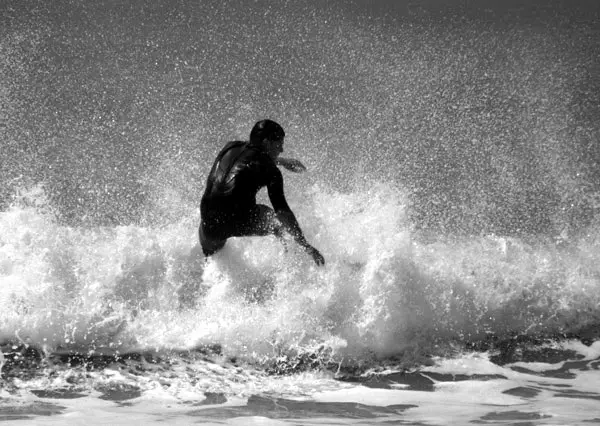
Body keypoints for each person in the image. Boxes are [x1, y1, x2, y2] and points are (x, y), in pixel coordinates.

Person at [199, 119, 325, 266]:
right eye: (279, 145)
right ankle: (286, 268)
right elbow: (283, 211)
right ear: (267, 142)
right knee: (277, 222)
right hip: (237, 220)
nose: (281, 150)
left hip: (209, 221)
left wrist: (282, 161)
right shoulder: (272, 172)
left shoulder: (230, 147)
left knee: (211, 252)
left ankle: (206, 275)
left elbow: (252, 157)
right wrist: (305, 245)